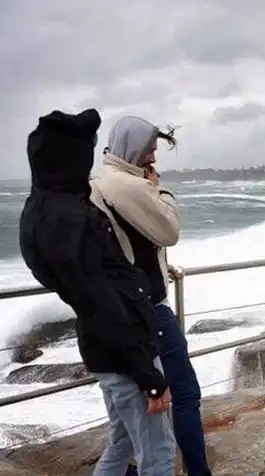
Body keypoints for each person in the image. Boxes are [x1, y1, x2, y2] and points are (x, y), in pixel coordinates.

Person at [18, 108, 176, 475]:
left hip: (103, 349)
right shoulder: (69, 219)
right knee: (159, 454)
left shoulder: (41, 210)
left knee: (122, 442)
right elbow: (102, 304)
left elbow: (90, 292)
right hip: (125, 353)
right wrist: (149, 377)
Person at [89, 116, 212, 476]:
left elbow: (126, 242)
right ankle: (198, 471)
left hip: (117, 309)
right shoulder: (129, 185)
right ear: (133, 146)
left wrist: (160, 266)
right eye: (150, 148)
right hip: (148, 310)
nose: (154, 156)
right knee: (184, 394)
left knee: (126, 424)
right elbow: (168, 229)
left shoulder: (98, 181)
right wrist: (160, 189)